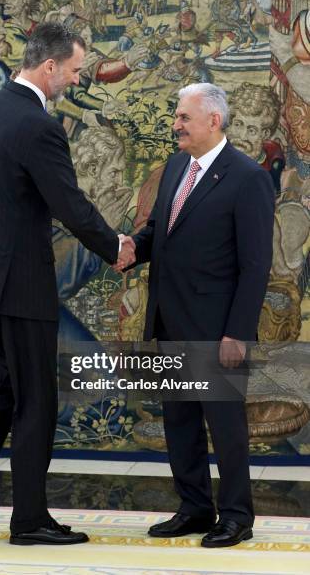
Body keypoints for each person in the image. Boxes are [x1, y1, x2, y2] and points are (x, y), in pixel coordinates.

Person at [0, 23, 135, 546]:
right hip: (21, 285)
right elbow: (69, 203)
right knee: (37, 399)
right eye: (71, 70)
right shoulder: (39, 126)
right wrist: (115, 249)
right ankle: (29, 520)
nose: (72, 80)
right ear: (49, 67)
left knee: (9, 385)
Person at [116, 83, 274, 548]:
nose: (176, 125)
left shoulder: (247, 178)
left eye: (184, 117)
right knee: (179, 423)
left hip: (216, 329)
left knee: (225, 428)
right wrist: (129, 251)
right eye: (176, 117)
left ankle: (237, 516)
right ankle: (195, 507)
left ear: (213, 121)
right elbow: (159, 236)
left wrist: (237, 333)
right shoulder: (173, 171)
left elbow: (254, 265)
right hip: (168, 319)